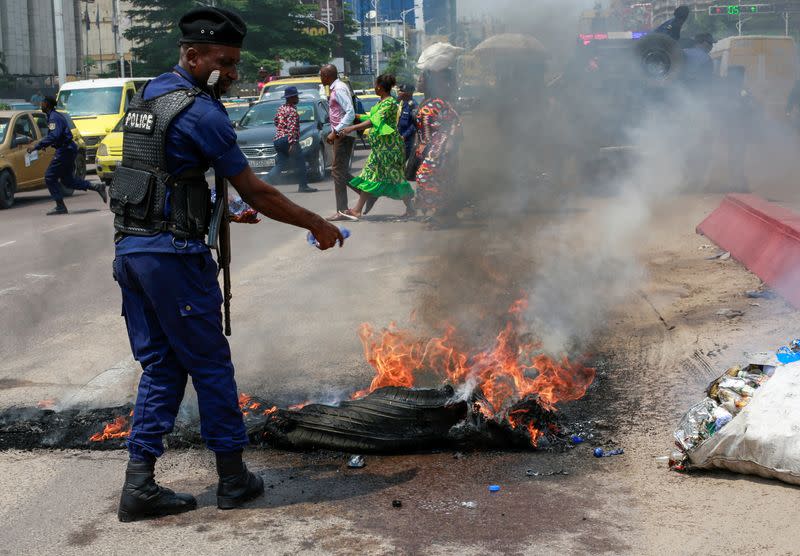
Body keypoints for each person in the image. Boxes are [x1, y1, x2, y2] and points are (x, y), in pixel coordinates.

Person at [111, 6, 344, 523]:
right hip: (173, 258)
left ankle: (139, 485)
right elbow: (257, 190)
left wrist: (220, 211)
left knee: (162, 365)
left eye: (235, 62)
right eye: (225, 61)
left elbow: (163, 172)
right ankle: (234, 480)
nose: (233, 73)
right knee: (211, 366)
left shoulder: (151, 94)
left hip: (132, 250)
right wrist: (316, 224)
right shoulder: (201, 112)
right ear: (193, 56)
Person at [340, 74, 414, 218]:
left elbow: (374, 121)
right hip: (380, 149)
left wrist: (351, 128)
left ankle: (411, 208)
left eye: (375, 85)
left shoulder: (389, 103)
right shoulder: (381, 102)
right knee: (370, 176)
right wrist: (357, 116)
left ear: (379, 86)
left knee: (396, 177)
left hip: (389, 149)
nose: (374, 87)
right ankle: (357, 210)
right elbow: (371, 117)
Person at [26, 96, 107, 215]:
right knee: (68, 181)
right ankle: (96, 187)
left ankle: (60, 206)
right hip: (67, 149)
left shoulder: (54, 118)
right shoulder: (53, 116)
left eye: (42, 103)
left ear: (47, 104)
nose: (41, 105)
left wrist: (37, 146)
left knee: (49, 176)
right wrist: (46, 144)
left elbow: (55, 136)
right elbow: (55, 136)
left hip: (65, 150)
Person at [414, 69, 462, 220]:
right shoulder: (426, 102)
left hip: (440, 148)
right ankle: (443, 214)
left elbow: (455, 122)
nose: (418, 82)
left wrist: (449, 144)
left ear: (428, 83)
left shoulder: (438, 103)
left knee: (424, 177)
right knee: (439, 180)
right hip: (430, 149)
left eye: (421, 80)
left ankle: (439, 211)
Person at [319, 64, 358, 222]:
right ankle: (365, 194)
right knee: (340, 172)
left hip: (343, 134)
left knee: (337, 172)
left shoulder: (340, 88)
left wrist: (336, 132)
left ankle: (342, 210)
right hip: (341, 134)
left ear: (328, 76)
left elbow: (350, 112)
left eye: (322, 75)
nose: (320, 78)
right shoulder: (335, 88)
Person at [266, 86, 317, 193]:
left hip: (278, 139)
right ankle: (303, 186)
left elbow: (276, 121)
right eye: (296, 96)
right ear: (292, 98)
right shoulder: (292, 111)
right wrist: (292, 144)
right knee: (301, 162)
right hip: (287, 140)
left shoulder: (281, 108)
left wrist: (282, 130)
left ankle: (263, 184)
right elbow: (292, 128)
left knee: (280, 165)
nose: (298, 98)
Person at [397, 83, 418, 161]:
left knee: (402, 162)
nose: (399, 93)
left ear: (408, 93)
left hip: (407, 140)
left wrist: (404, 136)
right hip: (398, 137)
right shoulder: (401, 104)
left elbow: (414, 124)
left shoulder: (413, 105)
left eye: (402, 91)